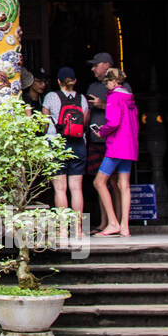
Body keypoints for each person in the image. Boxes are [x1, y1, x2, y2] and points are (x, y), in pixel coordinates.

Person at [42, 67, 88, 236]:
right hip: (77, 144)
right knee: (76, 188)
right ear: (74, 81)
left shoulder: (50, 97)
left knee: (60, 189)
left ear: (58, 81)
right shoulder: (82, 99)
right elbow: (85, 123)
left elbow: (45, 123)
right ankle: (78, 229)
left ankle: (62, 230)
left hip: (57, 144)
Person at [93, 68, 139, 237]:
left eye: (107, 83)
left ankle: (112, 222)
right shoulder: (129, 97)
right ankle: (124, 226)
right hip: (129, 146)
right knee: (124, 185)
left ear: (112, 82)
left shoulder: (114, 97)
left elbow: (113, 122)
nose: (106, 87)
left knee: (99, 182)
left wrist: (102, 132)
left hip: (116, 146)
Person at [84, 51, 115, 224]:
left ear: (106, 65)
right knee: (99, 183)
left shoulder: (121, 87)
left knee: (115, 183)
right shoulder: (93, 87)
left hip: (112, 141)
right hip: (95, 141)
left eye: (96, 65)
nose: (93, 69)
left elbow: (124, 110)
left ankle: (116, 221)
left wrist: (102, 105)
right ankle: (105, 222)